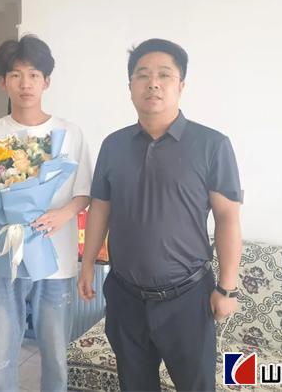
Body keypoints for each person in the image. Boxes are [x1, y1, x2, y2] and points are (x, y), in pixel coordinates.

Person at [78, 39, 243, 391]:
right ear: (130, 87)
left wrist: (227, 288)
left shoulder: (212, 145)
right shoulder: (113, 145)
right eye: (142, 75)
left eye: (164, 75)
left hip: (187, 298)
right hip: (125, 296)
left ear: (181, 85)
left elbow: (227, 217)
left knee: (196, 386)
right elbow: (101, 208)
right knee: (134, 385)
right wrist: (87, 263)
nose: (153, 83)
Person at [0, 35, 92, 392]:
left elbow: (84, 192)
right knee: (1, 355)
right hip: (1, 257)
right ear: (3, 82)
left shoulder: (69, 133)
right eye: (16, 75)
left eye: (34, 75)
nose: (25, 83)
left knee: (55, 354)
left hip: (56, 260)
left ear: (46, 82)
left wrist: (63, 214)